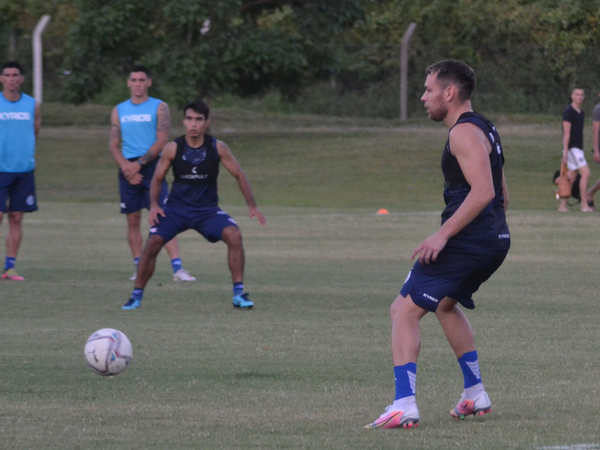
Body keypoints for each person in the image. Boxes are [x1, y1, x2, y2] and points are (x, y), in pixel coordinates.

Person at [365, 60, 510, 429]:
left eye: (429, 89)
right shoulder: (486, 128)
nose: (423, 96)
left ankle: (404, 404)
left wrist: (444, 234)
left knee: (402, 311)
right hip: (493, 240)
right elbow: (502, 195)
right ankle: (475, 393)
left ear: (449, 93)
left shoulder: (462, 133)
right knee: (445, 306)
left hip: (469, 242)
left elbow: (485, 192)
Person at [122, 100, 266, 310]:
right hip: (176, 210)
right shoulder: (173, 148)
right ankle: (136, 296)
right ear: (184, 121)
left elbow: (239, 174)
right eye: (189, 119)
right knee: (153, 242)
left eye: (199, 120)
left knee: (234, 235)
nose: (193, 124)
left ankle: (239, 294)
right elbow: (157, 178)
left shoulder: (217, 147)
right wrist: (154, 205)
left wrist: (252, 206)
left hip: (207, 211)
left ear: (206, 123)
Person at [110, 66, 195, 282]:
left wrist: (138, 165)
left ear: (149, 82)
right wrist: (126, 168)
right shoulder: (119, 110)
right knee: (133, 219)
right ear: (128, 83)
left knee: (163, 217)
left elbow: (162, 140)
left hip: (151, 165)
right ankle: (139, 266)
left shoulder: (159, 107)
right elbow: (113, 145)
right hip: (128, 169)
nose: (137, 83)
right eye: (134, 80)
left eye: (141, 80)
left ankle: (178, 269)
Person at [0, 61, 41, 281]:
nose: (12, 79)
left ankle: (10, 267)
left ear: (22, 79)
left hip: (23, 170)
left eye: (16, 75)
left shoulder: (32, 104)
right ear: (2, 79)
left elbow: (35, 130)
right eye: (7, 75)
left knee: (16, 217)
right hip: (0, 170)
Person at [558, 88, 592, 212]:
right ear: (572, 96)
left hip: (578, 148)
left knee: (572, 177)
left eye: (582, 95)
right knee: (586, 173)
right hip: (572, 149)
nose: (579, 97)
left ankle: (562, 206)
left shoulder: (581, 113)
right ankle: (584, 204)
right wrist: (565, 152)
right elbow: (566, 132)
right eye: (577, 94)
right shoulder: (568, 112)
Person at [585, 93, 600, 209]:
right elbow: (595, 131)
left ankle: (590, 193)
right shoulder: (598, 109)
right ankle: (590, 193)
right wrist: (596, 150)